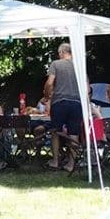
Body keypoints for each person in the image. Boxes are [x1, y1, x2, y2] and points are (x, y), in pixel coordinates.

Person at [43, 42, 83, 172]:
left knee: (55, 131)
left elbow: (50, 83)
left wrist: (47, 95)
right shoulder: (79, 65)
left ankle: (55, 161)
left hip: (59, 102)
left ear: (62, 52)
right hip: (76, 103)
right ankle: (71, 164)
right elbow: (87, 86)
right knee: (74, 134)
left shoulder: (56, 64)